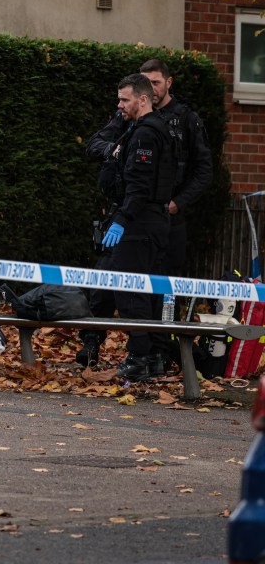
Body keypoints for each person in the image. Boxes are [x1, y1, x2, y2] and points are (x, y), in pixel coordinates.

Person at [79, 58, 212, 366]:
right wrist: (114, 151)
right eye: (146, 82)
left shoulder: (169, 125)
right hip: (135, 214)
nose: (120, 105)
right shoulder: (133, 123)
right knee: (110, 287)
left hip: (149, 217)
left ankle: (151, 355)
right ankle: (98, 344)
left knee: (146, 292)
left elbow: (196, 172)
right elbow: (97, 144)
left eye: (155, 83)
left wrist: (175, 203)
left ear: (167, 83)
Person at [89, 73, 177, 381]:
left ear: (142, 99)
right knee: (148, 292)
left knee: (130, 291)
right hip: (152, 221)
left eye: (125, 99)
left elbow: (138, 186)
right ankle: (152, 355)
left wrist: (122, 222)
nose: (119, 105)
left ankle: (139, 356)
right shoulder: (156, 129)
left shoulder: (144, 135)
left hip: (139, 222)